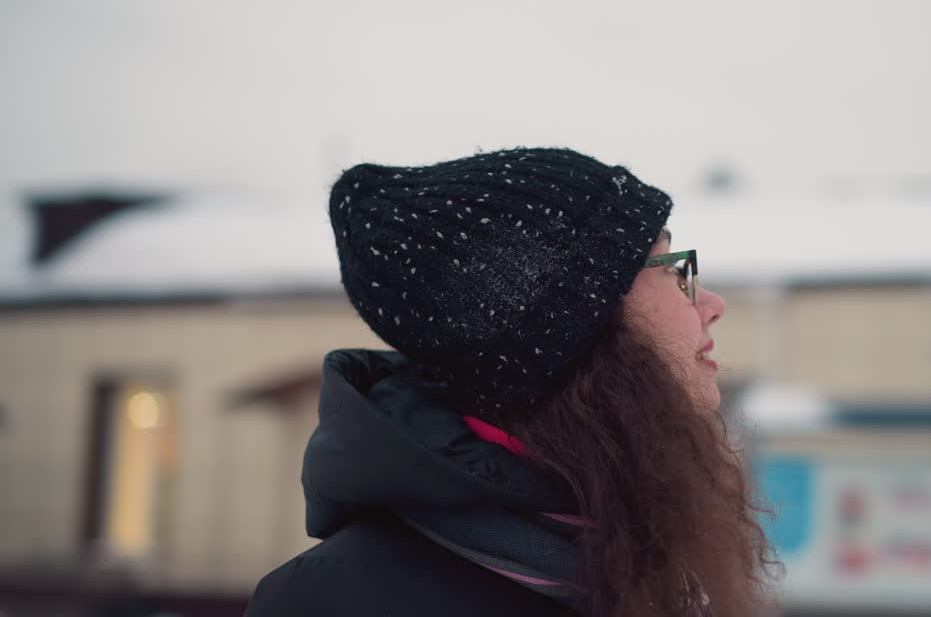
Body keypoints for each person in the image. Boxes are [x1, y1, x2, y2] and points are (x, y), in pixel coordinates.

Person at [245, 147, 780, 616]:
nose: (711, 304)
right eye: (669, 267)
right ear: (571, 333)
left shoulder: (642, 554)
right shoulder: (332, 602)